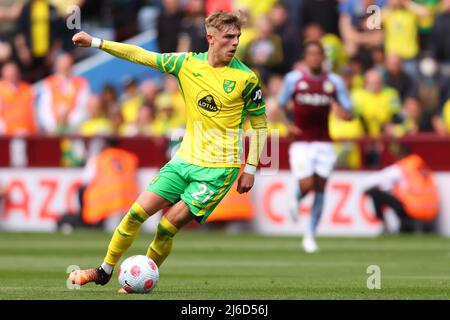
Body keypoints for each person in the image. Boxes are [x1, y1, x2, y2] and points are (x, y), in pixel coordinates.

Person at [68, 10, 267, 292]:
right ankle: (104, 271)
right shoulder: (186, 64)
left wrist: (250, 168)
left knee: (166, 226)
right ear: (211, 38)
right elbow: (140, 55)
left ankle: (137, 281)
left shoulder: (246, 79)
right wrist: (98, 42)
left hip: (218, 170)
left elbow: (260, 125)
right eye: (228, 36)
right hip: (184, 160)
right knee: (135, 213)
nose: (234, 42)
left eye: (237, 36)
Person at [276, 41, 353, 253]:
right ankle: (296, 197)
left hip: (324, 142)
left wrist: (345, 113)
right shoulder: (294, 79)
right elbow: (279, 104)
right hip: (301, 142)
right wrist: (287, 124)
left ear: (323, 58)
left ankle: (310, 234)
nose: (315, 58)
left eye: (318, 54)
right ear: (306, 57)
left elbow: (349, 108)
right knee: (308, 183)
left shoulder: (333, 82)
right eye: (311, 54)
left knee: (320, 187)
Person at [364, 145, 439, 234]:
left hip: (413, 209)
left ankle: (385, 228)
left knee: (374, 192)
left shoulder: (402, 167)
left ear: (401, 153)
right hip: (432, 211)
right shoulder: (419, 162)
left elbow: (374, 181)